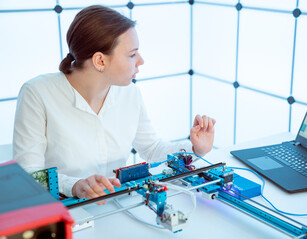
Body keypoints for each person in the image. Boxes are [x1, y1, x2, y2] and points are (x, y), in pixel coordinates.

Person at [13, 5, 215, 201]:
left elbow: (152, 149)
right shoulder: (37, 93)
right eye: (132, 54)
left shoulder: (130, 93)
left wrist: (195, 149)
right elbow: (29, 173)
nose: (141, 61)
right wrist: (74, 186)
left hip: (119, 204)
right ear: (100, 61)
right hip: (64, 211)